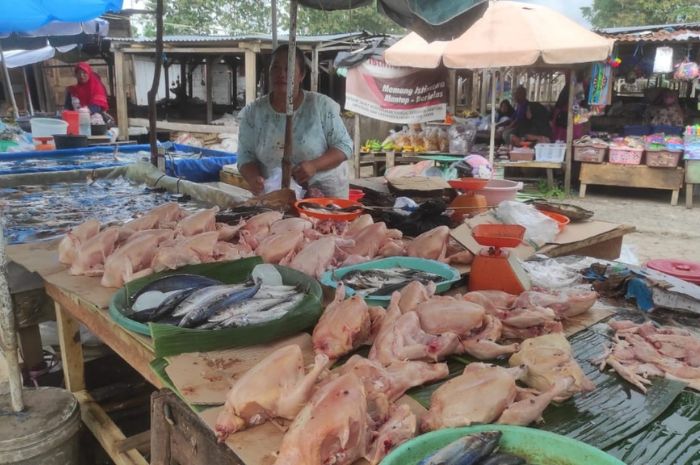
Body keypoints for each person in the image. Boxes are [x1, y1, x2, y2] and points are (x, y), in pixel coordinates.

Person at [237, 44, 353, 198]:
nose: (281, 74)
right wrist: (253, 179)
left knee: (325, 223)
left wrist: (314, 165)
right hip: (275, 195)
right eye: (276, 68)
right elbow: (245, 156)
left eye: (289, 69)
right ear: (269, 72)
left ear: (302, 75)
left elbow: (344, 146)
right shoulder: (253, 113)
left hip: (325, 196)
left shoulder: (322, 106)